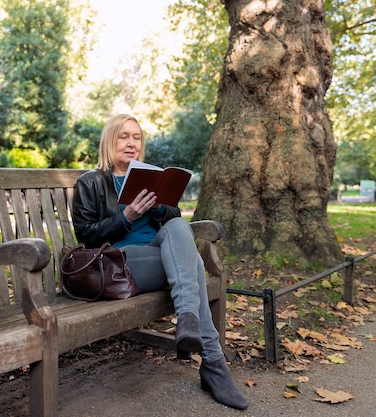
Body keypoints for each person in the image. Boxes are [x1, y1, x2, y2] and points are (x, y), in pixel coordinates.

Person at [71, 114, 249, 410]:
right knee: (191, 260)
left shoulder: (150, 178)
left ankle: (191, 323)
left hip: (160, 257)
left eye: (136, 137)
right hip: (119, 264)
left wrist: (156, 209)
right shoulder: (91, 182)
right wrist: (125, 217)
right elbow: (86, 236)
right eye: (123, 136)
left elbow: (173, 220)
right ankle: (213, 363)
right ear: (109, 141)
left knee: (179, 227)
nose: (131, 143)